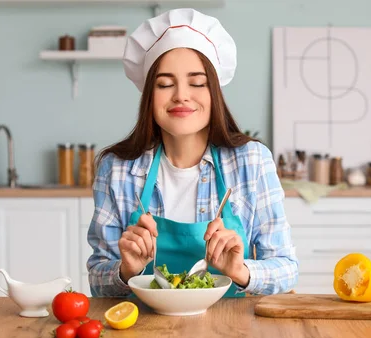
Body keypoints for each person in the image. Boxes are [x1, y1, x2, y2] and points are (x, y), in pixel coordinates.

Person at [86, 8, 299, 298]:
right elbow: (97, 277)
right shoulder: (117, 169)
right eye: (164, 84)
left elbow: (287, 268)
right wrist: (126, 270)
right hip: (143, 332)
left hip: (233, 333)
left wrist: (241, 271)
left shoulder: (252, 161)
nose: (181, 95)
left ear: (214, 92)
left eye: (197, 82)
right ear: (149, 95)